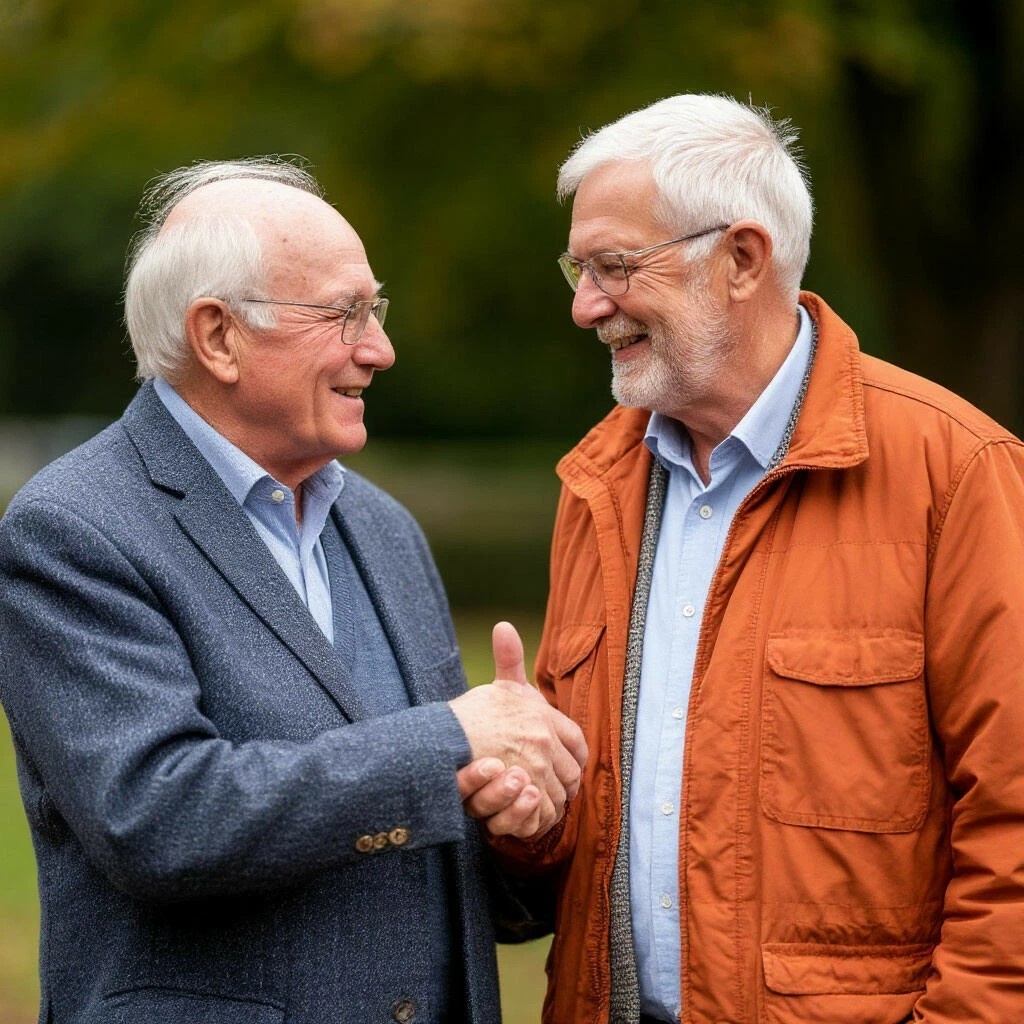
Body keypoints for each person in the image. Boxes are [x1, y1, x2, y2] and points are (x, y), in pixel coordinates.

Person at [0, 158, 585, 1024]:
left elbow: (436, 851)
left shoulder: (383, 528)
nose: (379, 349)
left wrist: (510, 823)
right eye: (345, 314)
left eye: (375, 311)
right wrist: (451, 739)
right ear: (218, 337)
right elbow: (157, 818)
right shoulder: (74, 528)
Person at [492, 95, 1024, 1023]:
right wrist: (527, 821)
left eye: (616, 266)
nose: (585, 306)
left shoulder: (957, 473)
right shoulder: (597, 484)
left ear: (742, 259)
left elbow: (1013, 823)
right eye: (579, 269)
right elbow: (577, 848)